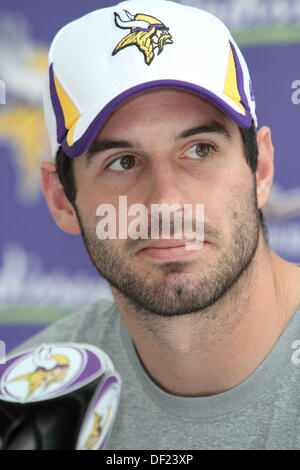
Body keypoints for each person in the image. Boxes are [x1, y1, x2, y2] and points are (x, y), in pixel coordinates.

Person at [10, 0, 300, 449]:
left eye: (200, 149)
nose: (165, 201)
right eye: (123, 161)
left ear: (260, 171)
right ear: (62, 199)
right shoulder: (37, 398)